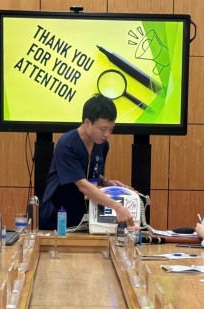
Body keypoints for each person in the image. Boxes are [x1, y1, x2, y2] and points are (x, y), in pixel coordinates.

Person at [39, 95, 134, 230]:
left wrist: (105, 181)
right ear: (87, 122)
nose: (107, 134)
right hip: (57, 215)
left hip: (83, 215)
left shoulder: (102, 144)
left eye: (111, 129)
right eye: (103, 129)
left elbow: (91, 173)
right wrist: (117, 207)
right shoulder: (66, 145)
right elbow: (83, 185)